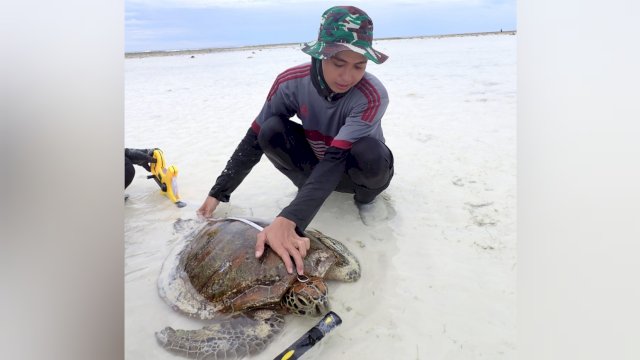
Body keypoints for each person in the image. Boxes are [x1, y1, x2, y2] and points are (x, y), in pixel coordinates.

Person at [197, 6, 394, 275]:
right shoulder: (290, 83)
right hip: (318, 165)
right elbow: (253, 140)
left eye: (359, 66)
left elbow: (337, 159)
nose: (348, 77)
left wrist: (291, 219)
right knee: (271, 129)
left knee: (369, 151)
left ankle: (366, 201)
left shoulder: (372, 95)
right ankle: (308, 192)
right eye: (339, 64)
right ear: (320, 54)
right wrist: (218, 193)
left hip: (354, 169)